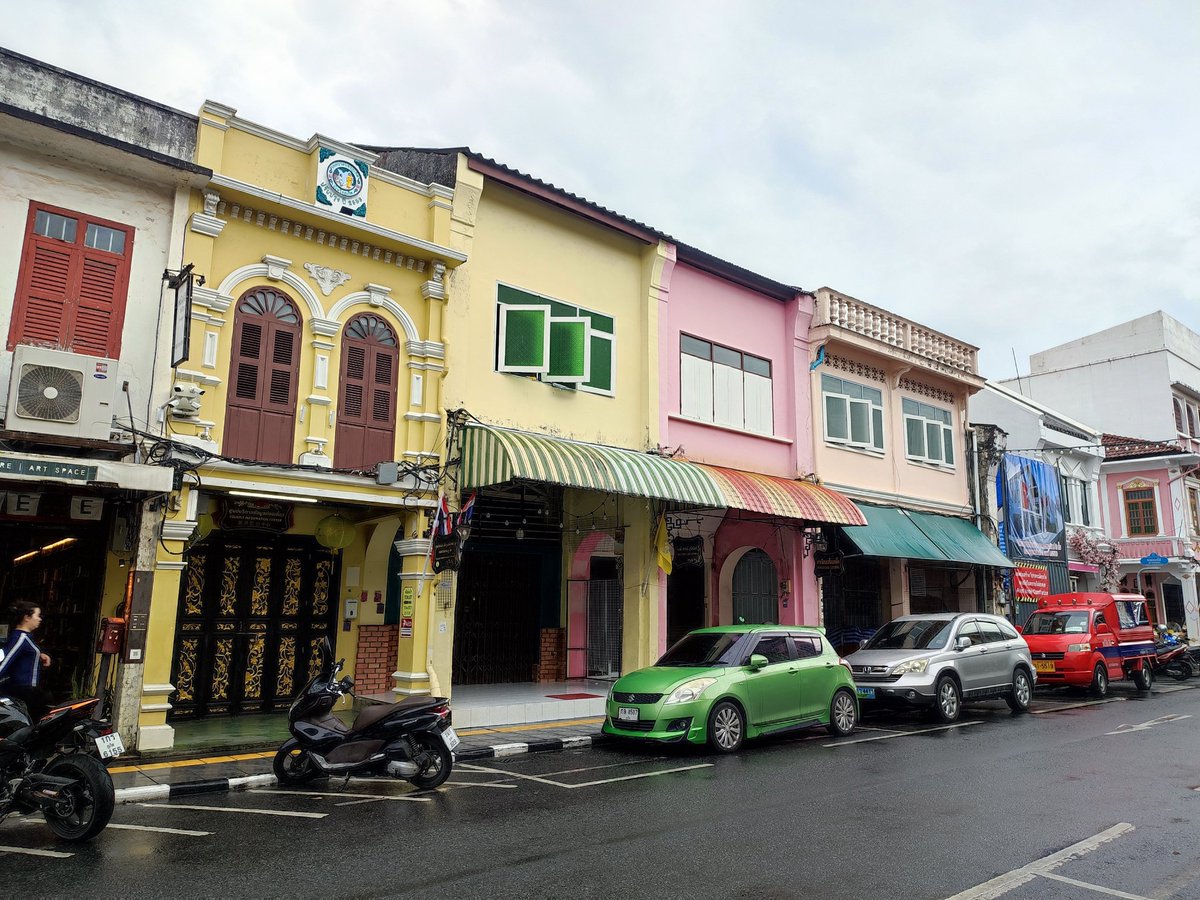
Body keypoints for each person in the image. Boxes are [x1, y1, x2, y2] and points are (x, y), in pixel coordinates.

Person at [0, 600, 52, 721]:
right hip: (22, 690)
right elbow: (6, 659)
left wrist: (40, 655)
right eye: (37, 615)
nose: (40, 619)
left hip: (29, 690)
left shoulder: (26, 637)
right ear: (26, 617)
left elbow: (23, 653)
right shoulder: (21, 637)